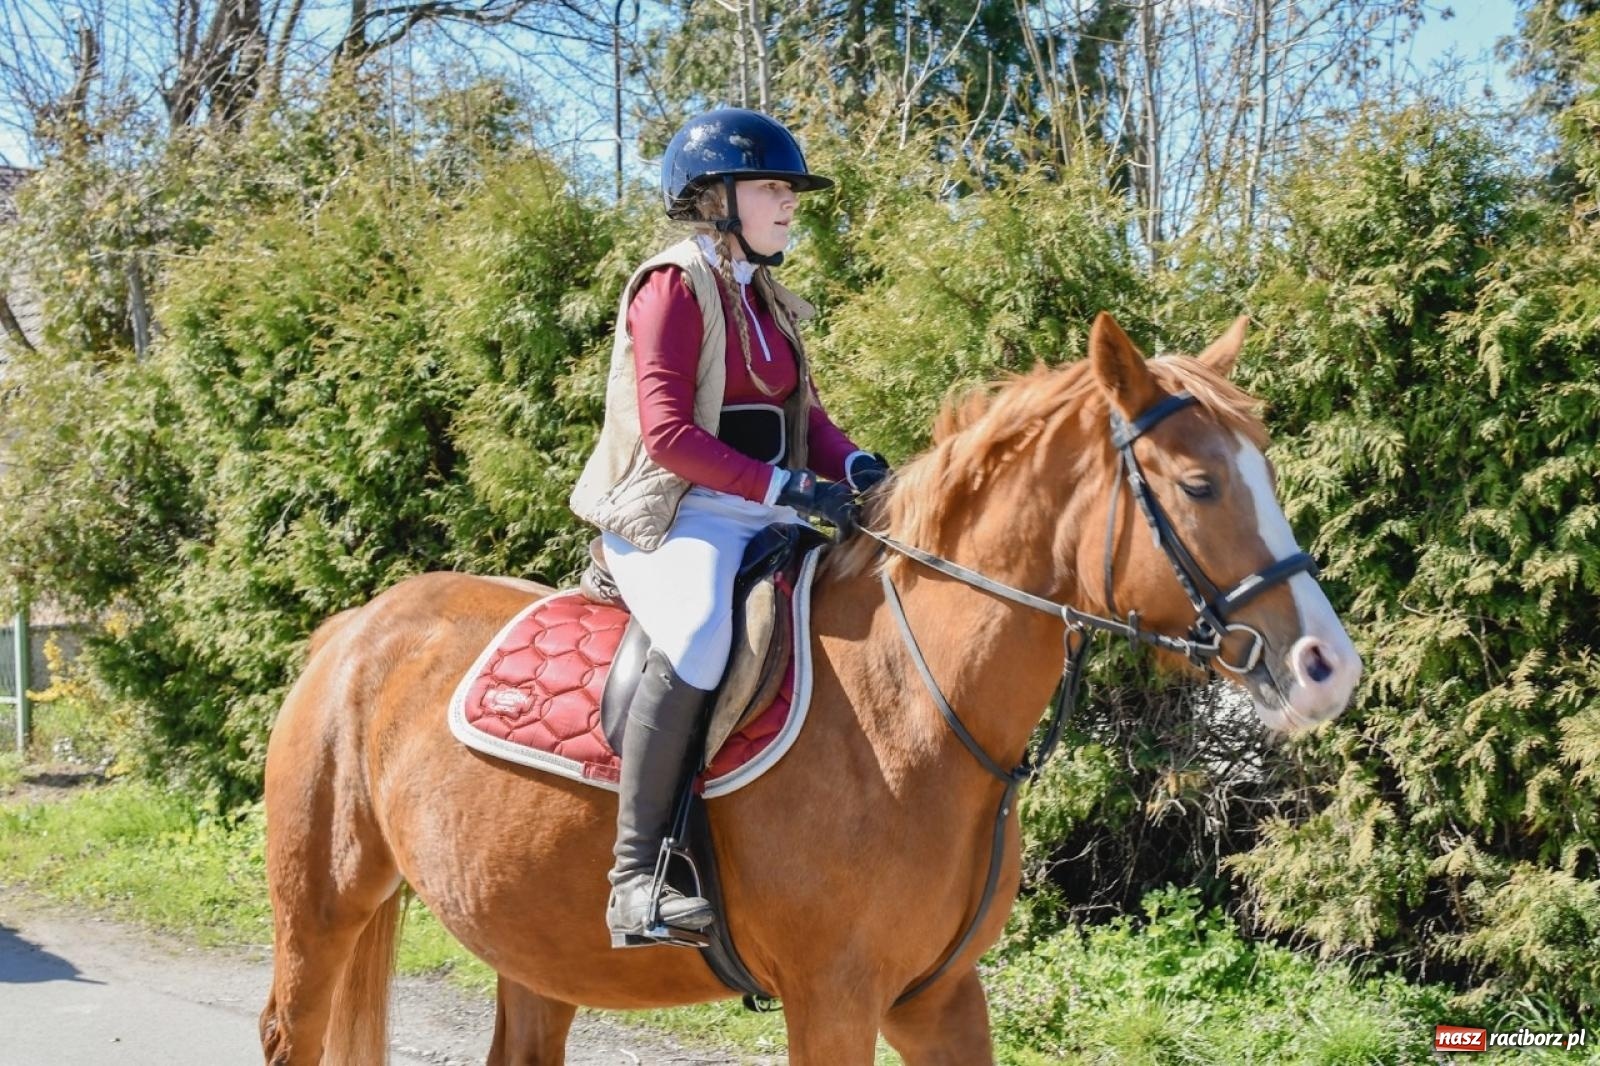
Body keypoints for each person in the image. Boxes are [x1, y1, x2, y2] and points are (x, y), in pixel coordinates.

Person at [570, 107, 888, 947]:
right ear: (717, 196)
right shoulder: (672, 286)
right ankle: (635, 878)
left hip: (760, 505)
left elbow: (805, 418)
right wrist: (786, 484)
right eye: (774, 186)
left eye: (790, 189)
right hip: (674, 514)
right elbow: (671, 435)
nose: (790, 203)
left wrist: (853, 464)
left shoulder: (765, 296)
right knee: (704, 631)